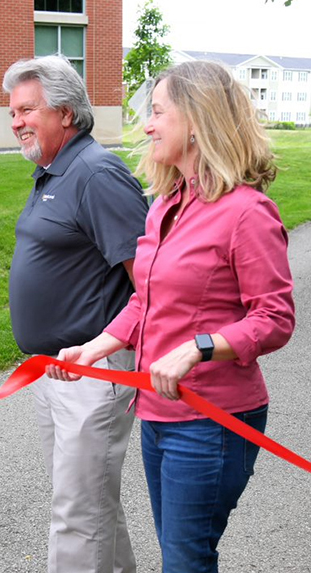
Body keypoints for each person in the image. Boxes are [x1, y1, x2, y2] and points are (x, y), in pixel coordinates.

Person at [47, 60, 295, 572]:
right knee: (181, 555)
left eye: (158, 113)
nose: (148, 125)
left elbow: (275, 317)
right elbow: (146, 300)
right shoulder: (166, 203)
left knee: (185, 561)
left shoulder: (247, 212)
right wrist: (93, 349)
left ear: (198, 122)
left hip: (213, 420)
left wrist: (200, 347)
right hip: (158, 413)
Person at [3, 56, 148, 573]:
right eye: (12, 111)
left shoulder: (95, 172)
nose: (15, 120)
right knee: (91, 503)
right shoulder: (52, 170)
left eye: (27, 110)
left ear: (66, 112)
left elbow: (149, 284)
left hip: (94, 372)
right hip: (54, 370)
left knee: (76, 514)